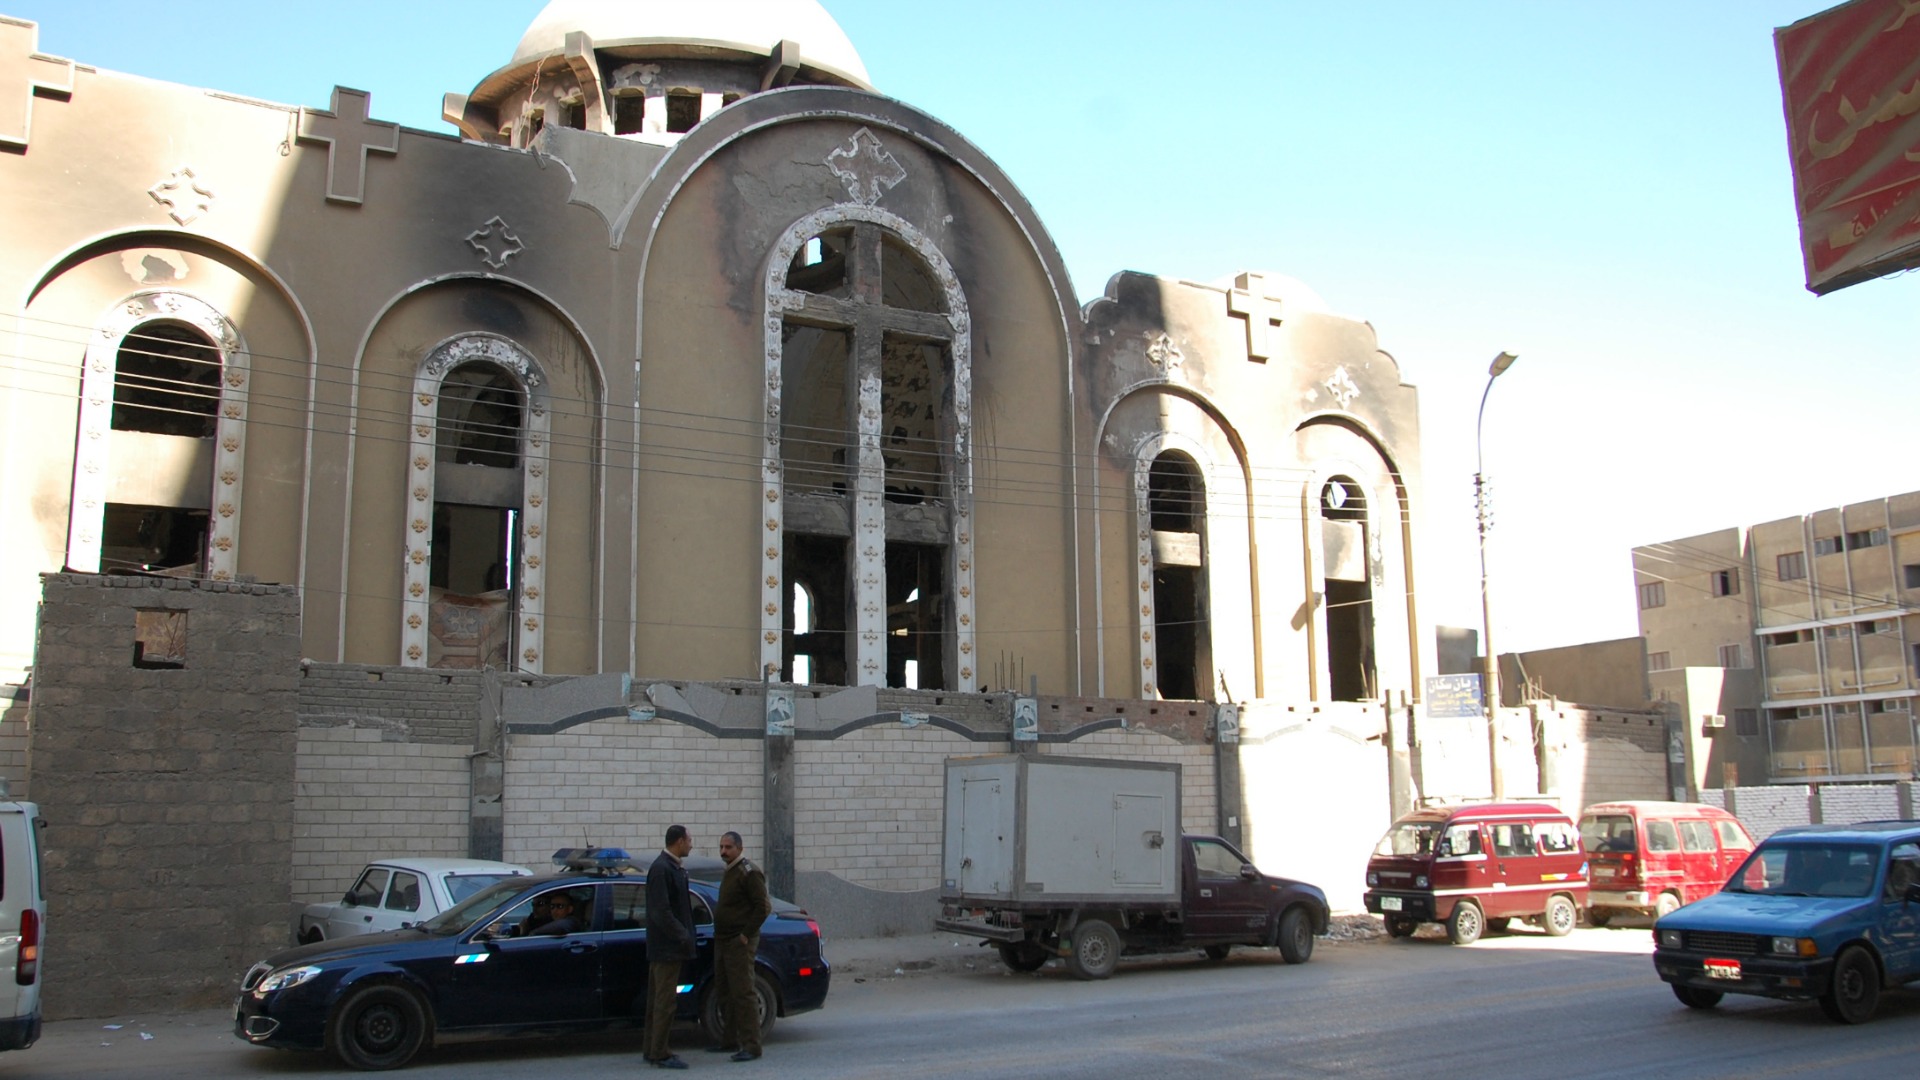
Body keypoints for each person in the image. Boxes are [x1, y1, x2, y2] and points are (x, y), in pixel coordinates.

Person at [710, 830, 772, 1062]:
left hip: (739, 941)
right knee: (725, 991)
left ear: (739, 848)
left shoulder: (748, 872)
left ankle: (752, 1045)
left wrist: (746, 934)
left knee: (743, 993)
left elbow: (762, 907)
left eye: (728, 847)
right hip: (723, 940)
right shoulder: (731, 871)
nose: (724, 851)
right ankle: (730, 1040)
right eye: (722, 847)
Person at [644, 824, 696, 1070]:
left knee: (659, 1001)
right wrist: (682, 934)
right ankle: (660, 1053)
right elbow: (660, 911)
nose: (691, 844)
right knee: (665, 1002)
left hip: (667, 947)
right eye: (688, 840)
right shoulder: (662, 869)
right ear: (678, 841)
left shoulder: (672, 868)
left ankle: (652, 1049)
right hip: (666, 948)